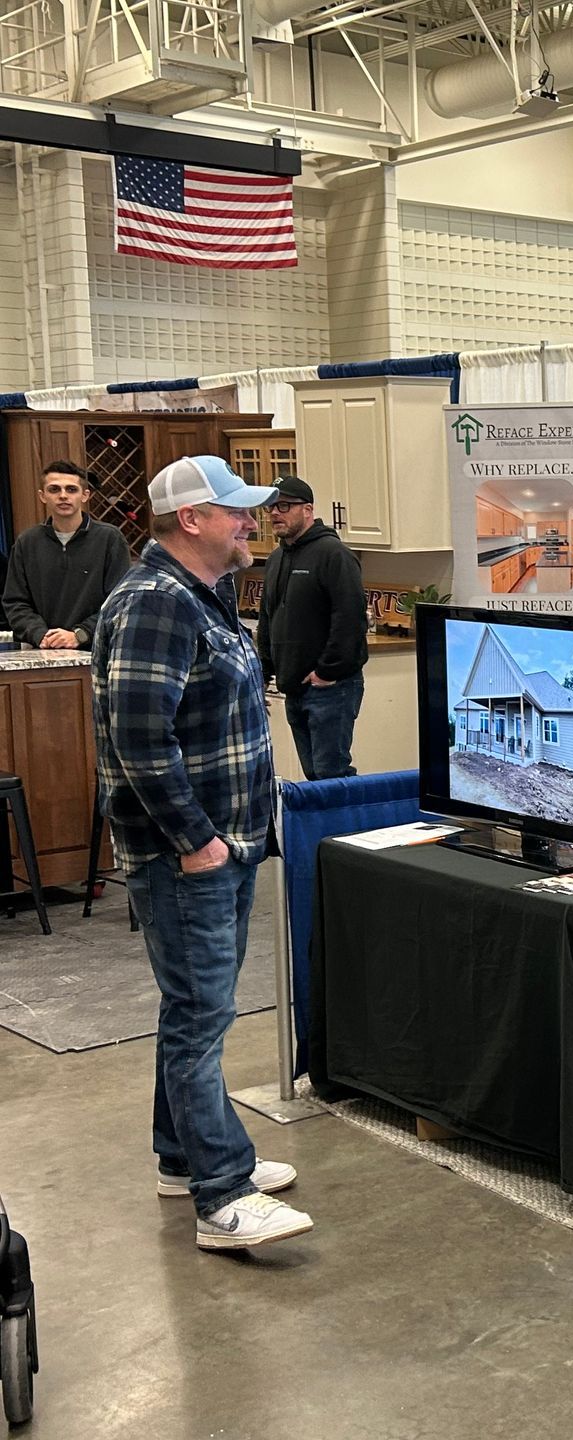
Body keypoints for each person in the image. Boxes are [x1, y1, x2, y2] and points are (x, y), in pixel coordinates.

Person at [93, 456, 313, 1252]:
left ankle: (181, 1157)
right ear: (193, 519)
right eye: (237, 512)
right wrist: (197, 842)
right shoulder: (157, 604)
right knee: (200, 1016)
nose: (252, 521)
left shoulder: (199, 597)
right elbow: (141, 739)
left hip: (225, 846)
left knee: (192, 1008)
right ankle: (221, 1196)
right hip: (189, 856)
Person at [255, 475, 368, 780]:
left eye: (284, 506)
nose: (275, 513)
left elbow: (351, 619)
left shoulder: (334, 554)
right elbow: (268, 618)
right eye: (270, 508)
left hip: (331, 688)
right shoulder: (276, 557)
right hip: (293, 687)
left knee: (331, 775)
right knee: (314, 776)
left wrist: (327, 671)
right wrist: (262, 674)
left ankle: (345, 828)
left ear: (308, 509)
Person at [3, 460, 131, 649]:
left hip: (98, 651)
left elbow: (121, 600)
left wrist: (80, 634)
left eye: (71, 490)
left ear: (85, 495)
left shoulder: (110, 539)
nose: (63, 496)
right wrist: (40, 634)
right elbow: (15, 601)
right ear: (42, 496)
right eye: (54, 489)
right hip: (43, 651)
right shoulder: (27, 542)